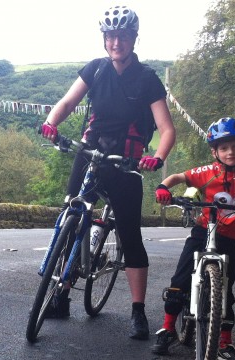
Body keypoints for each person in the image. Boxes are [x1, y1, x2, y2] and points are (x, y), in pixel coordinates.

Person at [40, 5, 176, 341]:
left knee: (130, 237)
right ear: (105, 40)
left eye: (123, 36)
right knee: (71, 215)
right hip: (90, 153)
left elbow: (166, 128)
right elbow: (68, 102)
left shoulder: (146, 79)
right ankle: (61, 292)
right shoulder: (97, 70)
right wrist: (51, 123)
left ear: (133, 38)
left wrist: (156, 158)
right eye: (111, 36)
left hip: (127, 162)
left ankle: (138, 311)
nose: (117, 42)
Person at [152, 117, 235, 360]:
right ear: (215, 152)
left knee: (226, 291)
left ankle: (224, 342)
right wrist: (162, 188)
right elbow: (177, 177)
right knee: (179, 281)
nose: (230, 152)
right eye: (223, 148)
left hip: (229, 239)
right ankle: (167, 330)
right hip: (203, 233)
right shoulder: (207, 172)